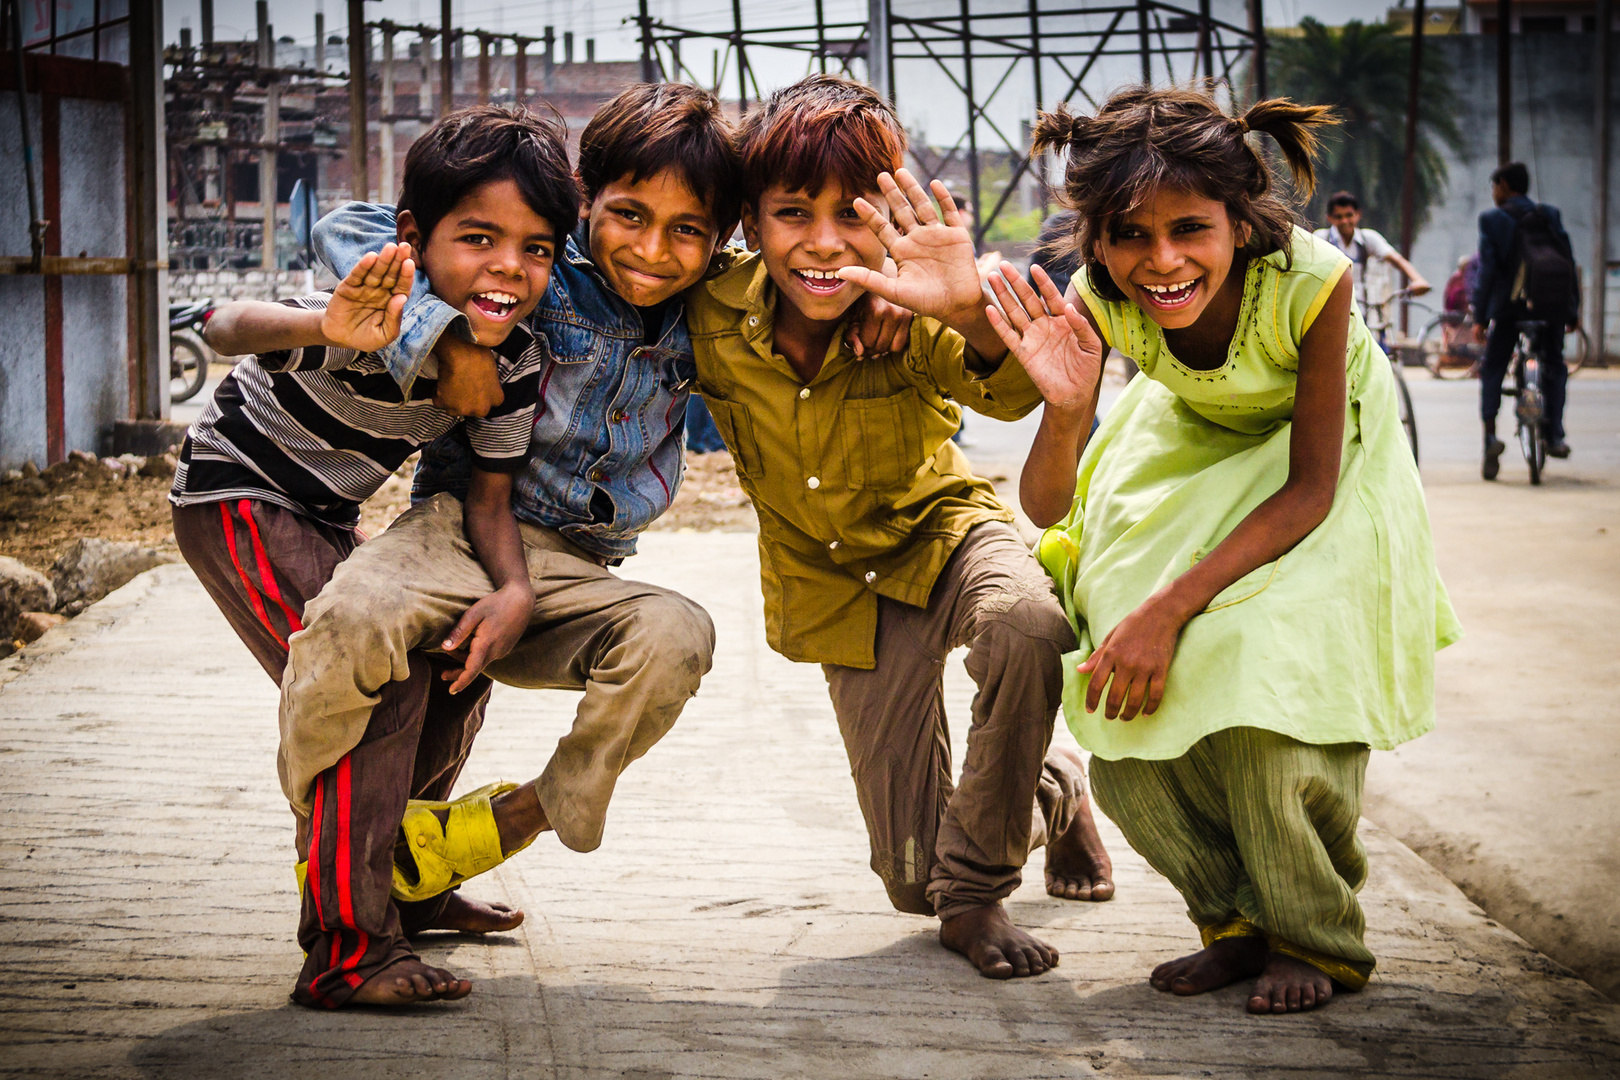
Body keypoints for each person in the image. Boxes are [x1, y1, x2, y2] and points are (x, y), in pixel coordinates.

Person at [996, 87, 1460, 1013]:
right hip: (1189, 437)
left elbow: (1311, 489)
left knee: (1264, 669)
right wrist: (1068, 405)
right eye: (1129, 234)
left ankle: (1312, 935)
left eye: (1189, 230)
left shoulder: (1311, 285)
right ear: (1095, 239)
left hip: (1317, 461)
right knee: (1120, 692)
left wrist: (1172, 610)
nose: (1160, 261)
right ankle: (1235, 921)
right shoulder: (1097, 298)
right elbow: (1045, 504)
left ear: (1241, 225)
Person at [684, 74, 1116, 982]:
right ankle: (1057, 790)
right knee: (915, 882)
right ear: (751, 223)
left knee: (1026, 623)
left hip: (946, 532)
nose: (826, 243)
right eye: (794, 213)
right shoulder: (711, 314)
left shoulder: (912, 301)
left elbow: (999, 391)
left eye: (856, 214)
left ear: (893, 215)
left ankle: (982, 891)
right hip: (835, 586)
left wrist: (962, 309)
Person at [171, 104, 576, 1008]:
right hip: (237, 497)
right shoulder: (371, 304)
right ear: (413, 239)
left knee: (453, 666)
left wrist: (512, 591)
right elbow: (226, 324)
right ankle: (348, 951)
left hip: (328, 516)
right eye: (478, 237)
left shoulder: (515, 365)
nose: (508, 266)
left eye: (537, 248)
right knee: (372, 682)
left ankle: (404, 883)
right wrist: (327, 328)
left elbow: (490, 497)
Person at [1472, 161, 1579, 476]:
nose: (1493, 193)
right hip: (1552, 306)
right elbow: (1568, 262)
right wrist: (1573, 310)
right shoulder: (1550, 214)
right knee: (1555, 364)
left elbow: (1488, 271)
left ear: (1503, 185)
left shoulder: (1493, 219)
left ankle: (1491, 437)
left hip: (1510, 308)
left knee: (1493, 367)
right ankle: (1555, 433)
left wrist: (1480, 316)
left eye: (1494, 186)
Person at [1313, 191, 1430, 315]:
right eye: (1339, 217)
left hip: (1360, 307)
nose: (1344, 221)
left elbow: (1396, 259)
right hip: (1328, 307)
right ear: (1329, 218)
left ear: (1358, 215)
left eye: (1349, 215)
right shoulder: (1321, 238)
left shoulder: (1367, 239)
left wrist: (1417, 279)